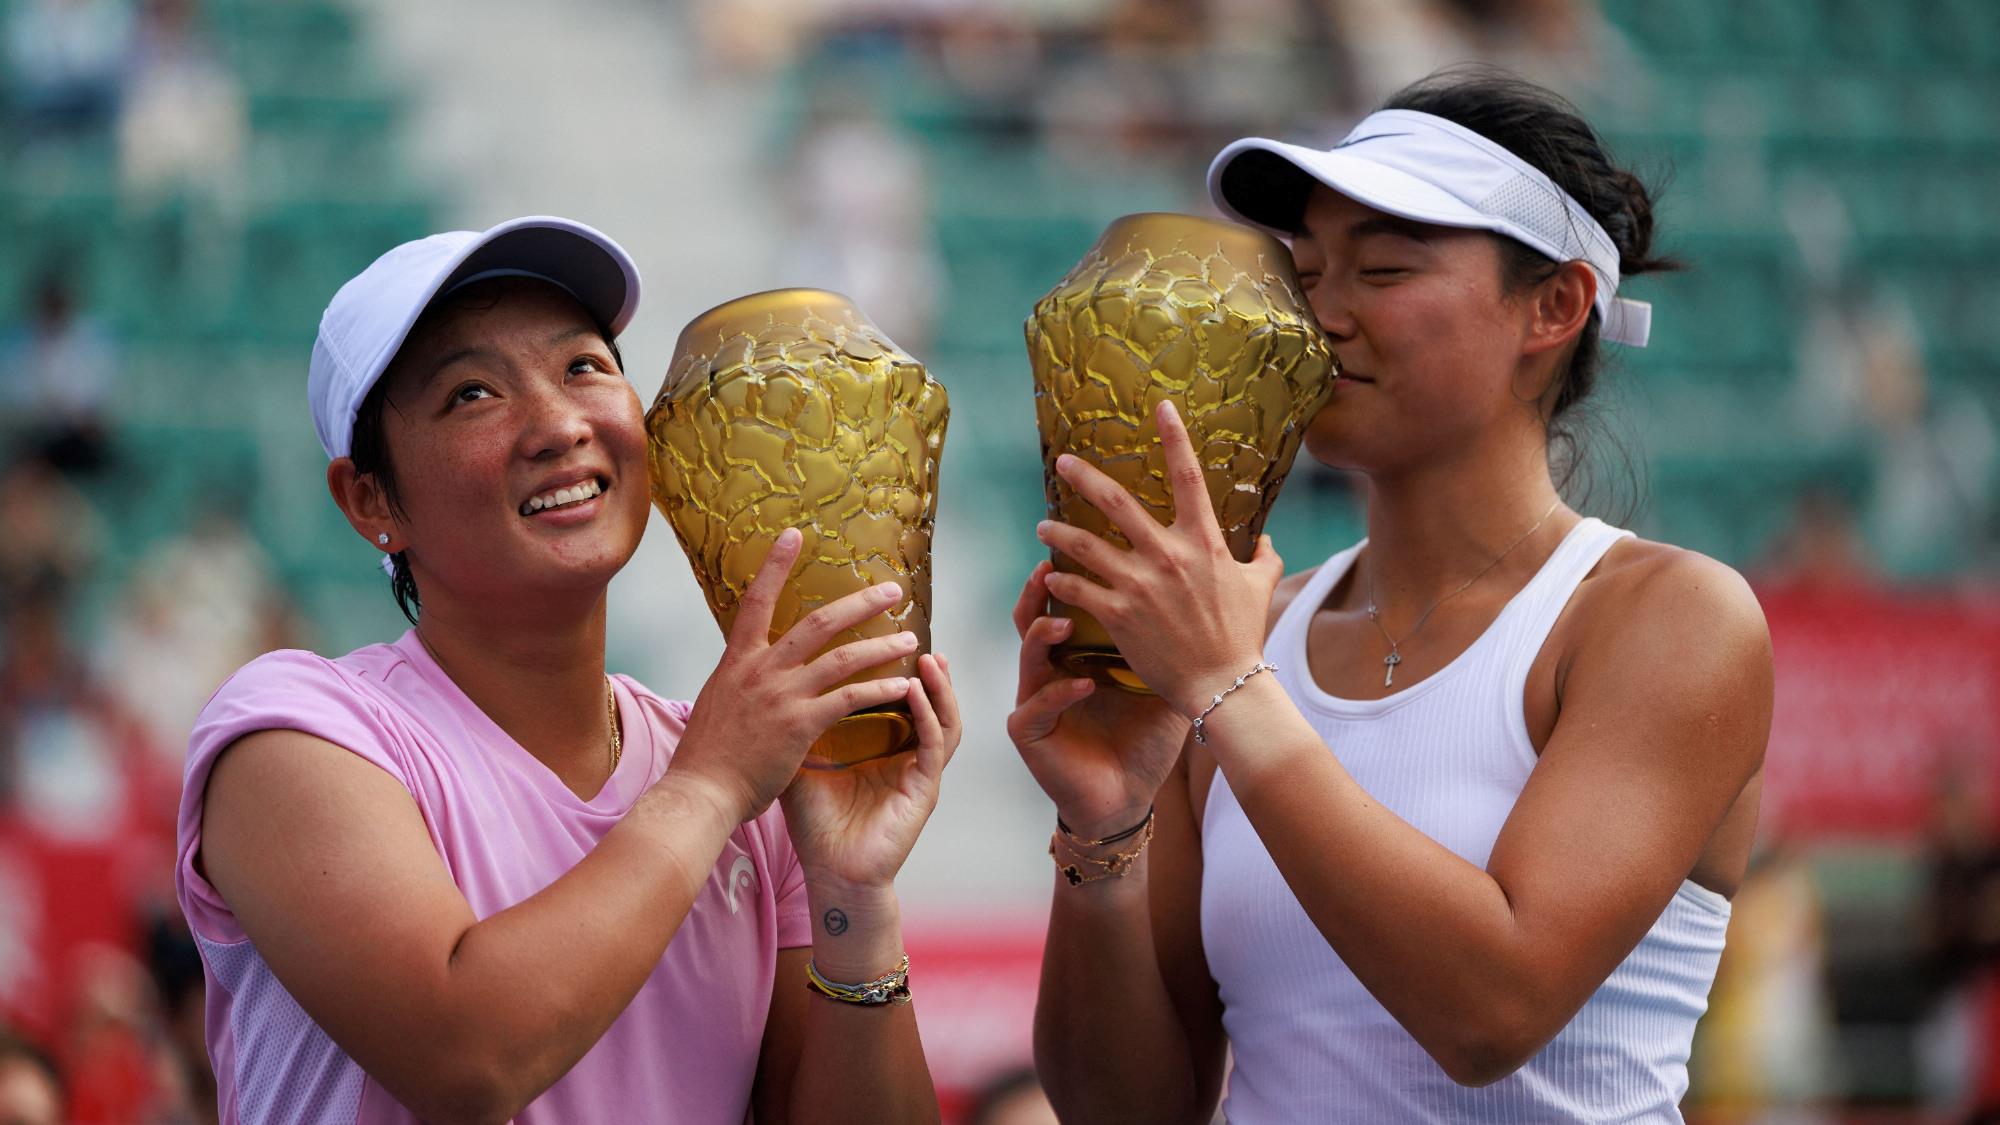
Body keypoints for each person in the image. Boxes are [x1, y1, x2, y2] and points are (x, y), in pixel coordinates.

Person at [1011, 70, 1771, 1122]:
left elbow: (1488, 1014)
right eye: (1305, 271)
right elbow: (1130, 1110)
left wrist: (1230, 690)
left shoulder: (1667, 616)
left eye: (1380, 269)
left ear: (1553, 306)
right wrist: (1099, 828)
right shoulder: (1239, 641)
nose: (1318, 316)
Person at [175, 216, 959, 1124]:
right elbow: (467, 1056)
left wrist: (854, 897)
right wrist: (707, 786)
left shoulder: (744, 779)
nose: (558, 424)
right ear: (370, 499)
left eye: (585, 367)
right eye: (471, 394)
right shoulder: (295, 731)